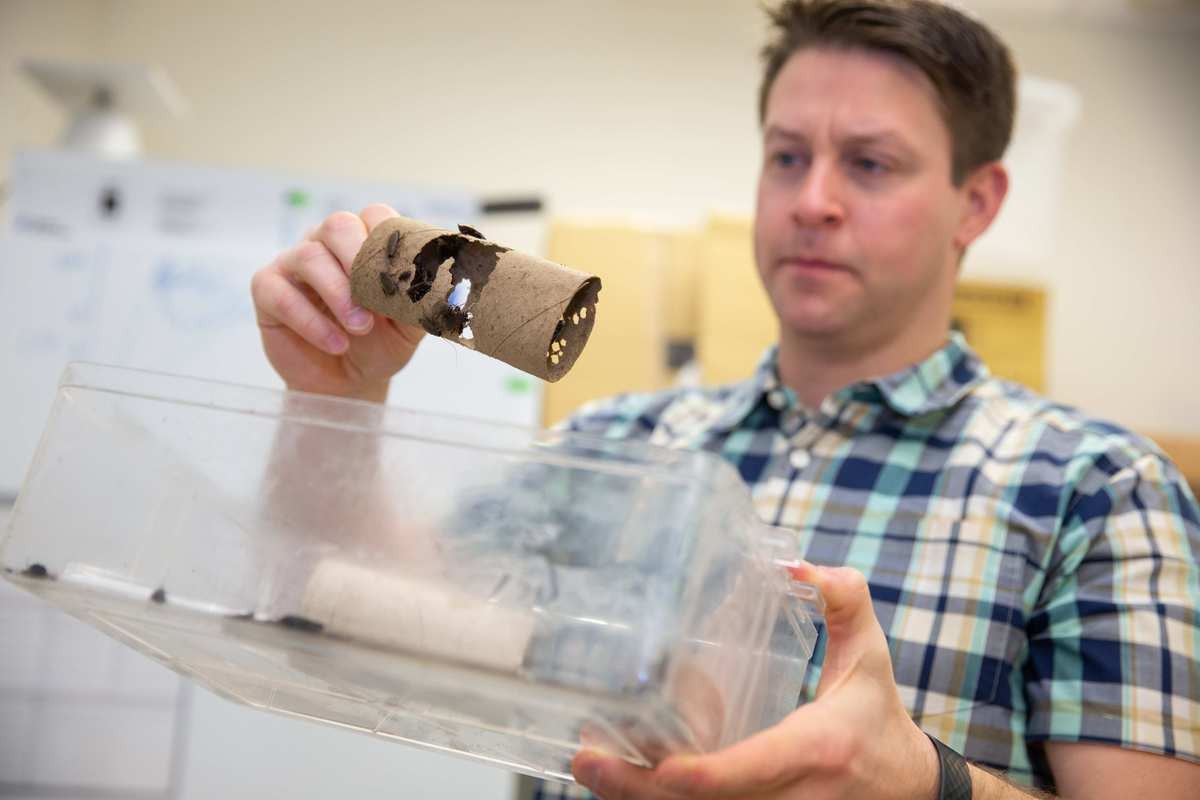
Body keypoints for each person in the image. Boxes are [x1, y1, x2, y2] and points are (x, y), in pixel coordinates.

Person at [250, 1, 1200, 797]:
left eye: (870, 164)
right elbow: (356, 610)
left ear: (977, 203)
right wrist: (341, 399)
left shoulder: (1099, 492)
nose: (811, 200)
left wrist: (923, 780)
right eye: (787, 157)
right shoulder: (614, 443)